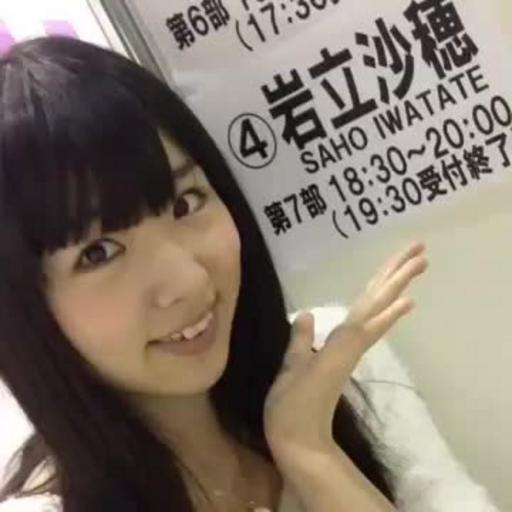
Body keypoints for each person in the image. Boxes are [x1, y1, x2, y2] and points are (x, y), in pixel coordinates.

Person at [0, 36, 492, 512]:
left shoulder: (333, 364)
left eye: (185, 202)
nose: (190, 281)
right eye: (99, 252)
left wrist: (312, 453)